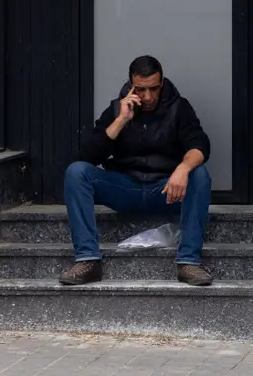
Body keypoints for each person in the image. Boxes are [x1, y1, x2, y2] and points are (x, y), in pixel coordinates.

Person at [59, 55, 213, 287]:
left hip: (165, 191)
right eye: (141, 90)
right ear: (131, 85)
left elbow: (200, 145)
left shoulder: (179, 108)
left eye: (154, 89)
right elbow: (88, 157)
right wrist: (122, 119)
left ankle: (189, 262)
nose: (148, 97)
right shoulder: (116, 108)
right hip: (125, 188)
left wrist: (183, 168)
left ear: (161, 84)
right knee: (76, 172)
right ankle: (88, 260)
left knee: (199, 174)